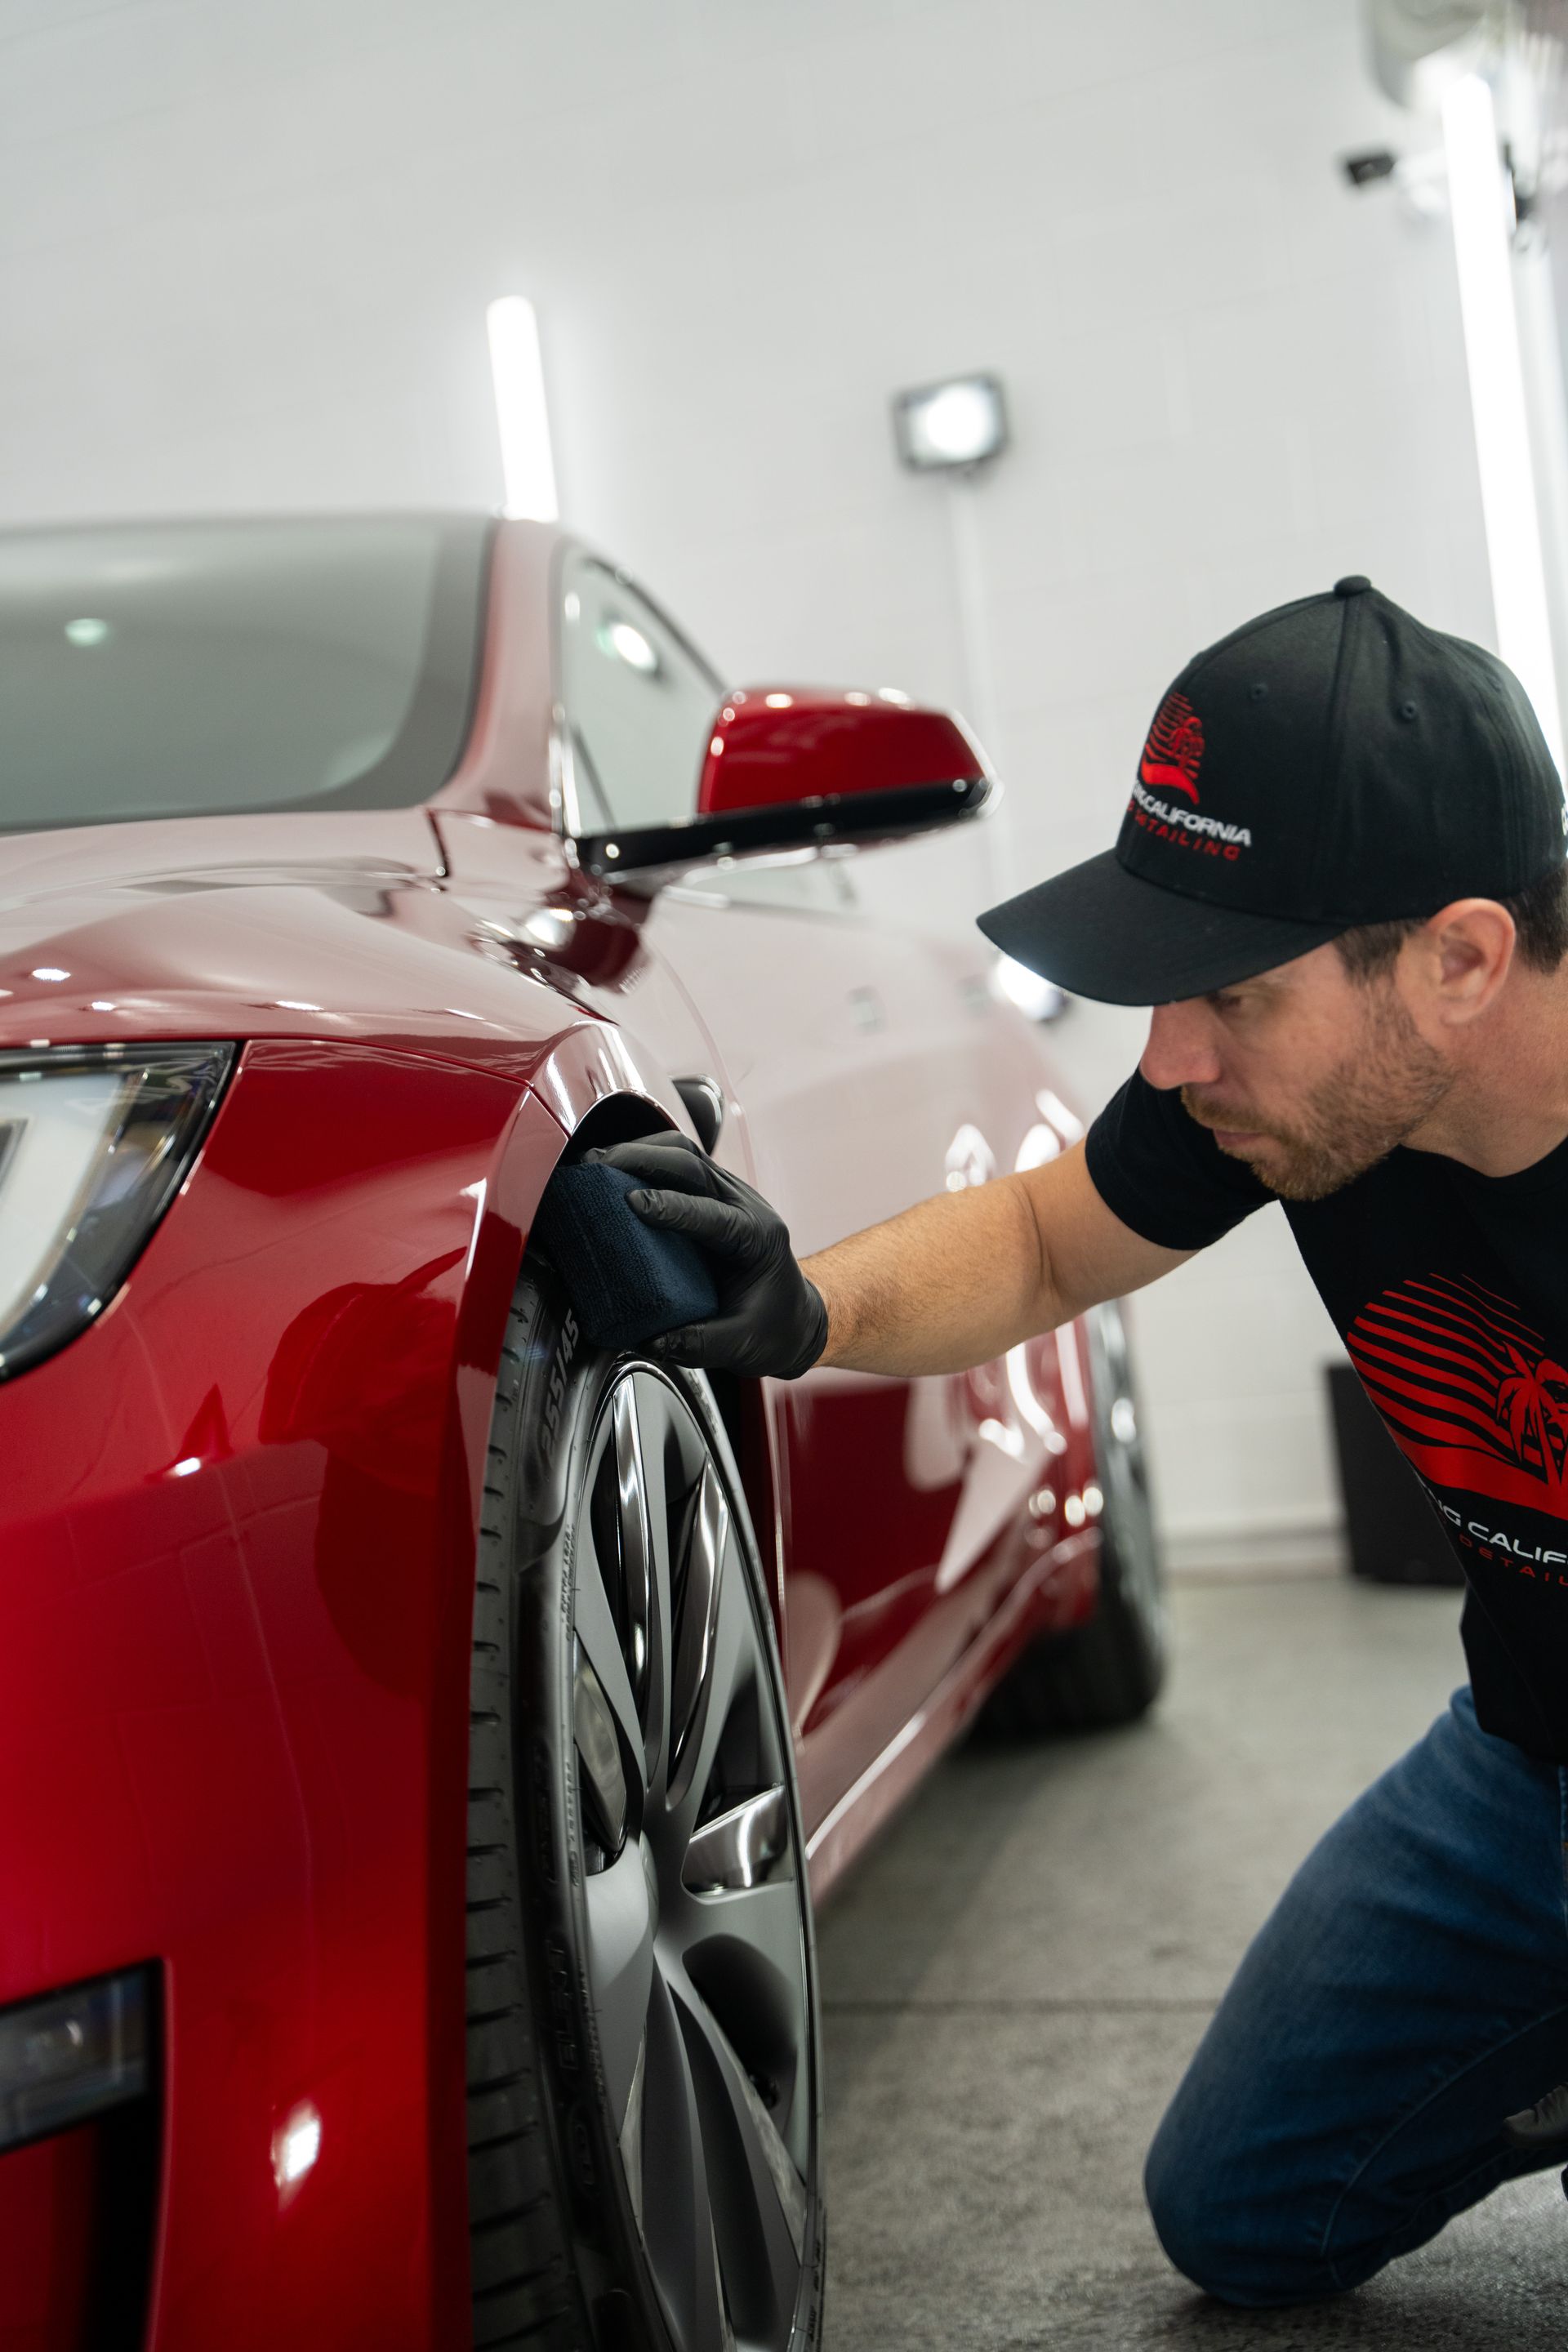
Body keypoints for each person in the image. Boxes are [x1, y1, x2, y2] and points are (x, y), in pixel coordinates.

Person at [591, 574, 1568, 2308]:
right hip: (1529, 1752)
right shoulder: (1272, 1092)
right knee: (1244, 2209)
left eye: (1232, 998)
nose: (1169, 1056)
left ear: (1460, 959)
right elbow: (1047, 1241)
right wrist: (803, 1311)